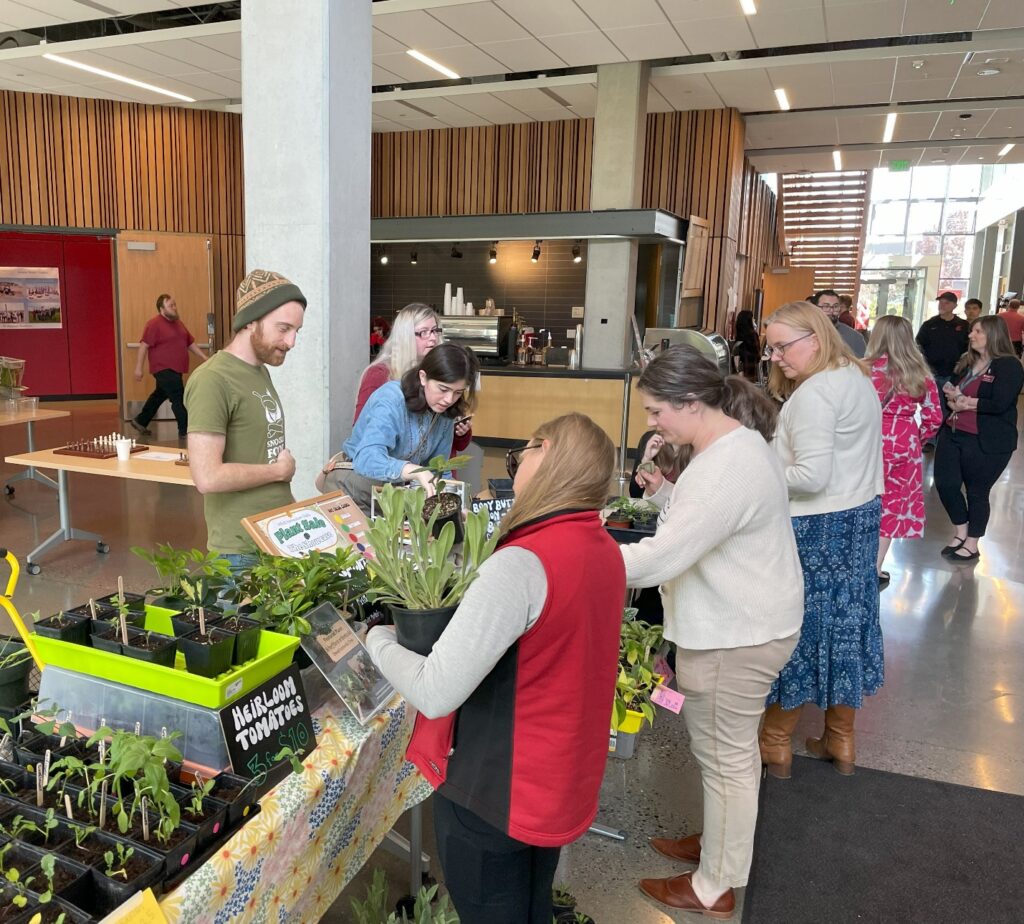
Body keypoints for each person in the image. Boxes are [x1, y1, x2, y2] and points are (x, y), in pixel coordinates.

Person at [367, 413, 625, 924]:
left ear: (546, 454)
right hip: (560, 783)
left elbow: (436, 691)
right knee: (531, 908)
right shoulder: (605, 549)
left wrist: (376, 637)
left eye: (520, 455)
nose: (517, 467)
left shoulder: (523, 562)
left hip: (497, 794)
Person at [621, 347, 803, 919]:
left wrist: (573, 557)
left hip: (736, 634)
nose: (651, 423)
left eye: (655, 411)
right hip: (743, 624)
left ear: (692, 403)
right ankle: (720, 847)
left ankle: (714, 884)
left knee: (726, 759)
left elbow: (661, 557)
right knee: (723, 753)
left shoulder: (727, 464)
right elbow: (695, 517)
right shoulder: (731, 445)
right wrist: (658, 493)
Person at [759, 301, 884, 779]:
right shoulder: (855, 379)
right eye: (771, 348)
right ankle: (841, 738)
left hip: (817, 526)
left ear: (815, 337)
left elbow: (810, 476)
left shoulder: (814, 394)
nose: (776, 357)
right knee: (846, 626)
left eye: (782, 347)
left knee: (801, 630)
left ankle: (774, 742)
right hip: (858, 520)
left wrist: (760, 469)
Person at [184, 269, 306, 569]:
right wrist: (278, 472)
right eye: (283, 328)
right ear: (251, 320)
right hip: (238, 551)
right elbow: (207, 477)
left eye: (296, 331)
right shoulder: (212, 379)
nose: (291, 341)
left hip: (276, 536)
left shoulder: (258, 370)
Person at [340, 342, 478, 512]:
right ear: (423, 377)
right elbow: (367, 458)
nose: (449, 399)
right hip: (358, 491)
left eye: (458, 392)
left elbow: (439, 469)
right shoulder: (391, 399)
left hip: (395, 495)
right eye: (443, 389)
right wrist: (415, 470)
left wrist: (455, 503)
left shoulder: (445, 411)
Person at [933, 315, 1024, 564]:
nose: (971, 335)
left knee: (977, 492)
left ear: (993, 335)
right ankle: (960, 530)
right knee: (946, 484)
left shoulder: (1008, 365)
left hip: (986, 440)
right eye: (972, 331)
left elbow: (1001, 403)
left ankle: (972, 542)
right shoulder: (967, 362)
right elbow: (953, 391)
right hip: (953, 433)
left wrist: (969, 403)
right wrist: (952, 397)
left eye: (977, 331)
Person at [864, 316, 943, 588]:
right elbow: (934, 417)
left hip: (867, 441)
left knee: (861, 499)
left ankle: (854, 562)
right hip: (904, 442)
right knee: (892, 506)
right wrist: (915, 439)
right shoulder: (919, 372)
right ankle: (874, 568)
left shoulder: (863, 370)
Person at [130, 293, 208, 440]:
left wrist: (204, 357)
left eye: (174, 305)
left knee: (159, 395)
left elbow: (189, 343)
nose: (174, 308)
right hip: (163, 368)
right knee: (179, 397)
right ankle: (185, 430)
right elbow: (143, 346)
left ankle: (140, 421)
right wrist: (138, 368)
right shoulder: (153, 324)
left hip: (176, 368)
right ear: (162, 309)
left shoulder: (179, 324)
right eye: (170, 306)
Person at [916, 291, 970, 449]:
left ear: (954, 305)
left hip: (953, 373)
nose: (942, 305)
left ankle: (943, 439)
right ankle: (931, 439)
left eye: (946, 303)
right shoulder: (930, 324)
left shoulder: (963, 326)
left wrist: (962, 366)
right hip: (932, 372)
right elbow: (919, 344)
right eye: (940, 302)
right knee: (933, 405)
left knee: (948, 406)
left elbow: (968, 349)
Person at [815, 289, 865, 357]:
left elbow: (861, 365)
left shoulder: (855, 338)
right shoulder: (804, 332)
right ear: (815, 308)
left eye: (835, 306)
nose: (831, 310)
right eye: (826, 306)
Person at [730, 309, 761, 381]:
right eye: (753, 319)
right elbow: (757, 355)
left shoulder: (738, 335)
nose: (754, 321)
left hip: (738, 370)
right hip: (749, 370)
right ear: (749, 321)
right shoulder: (753, 334)